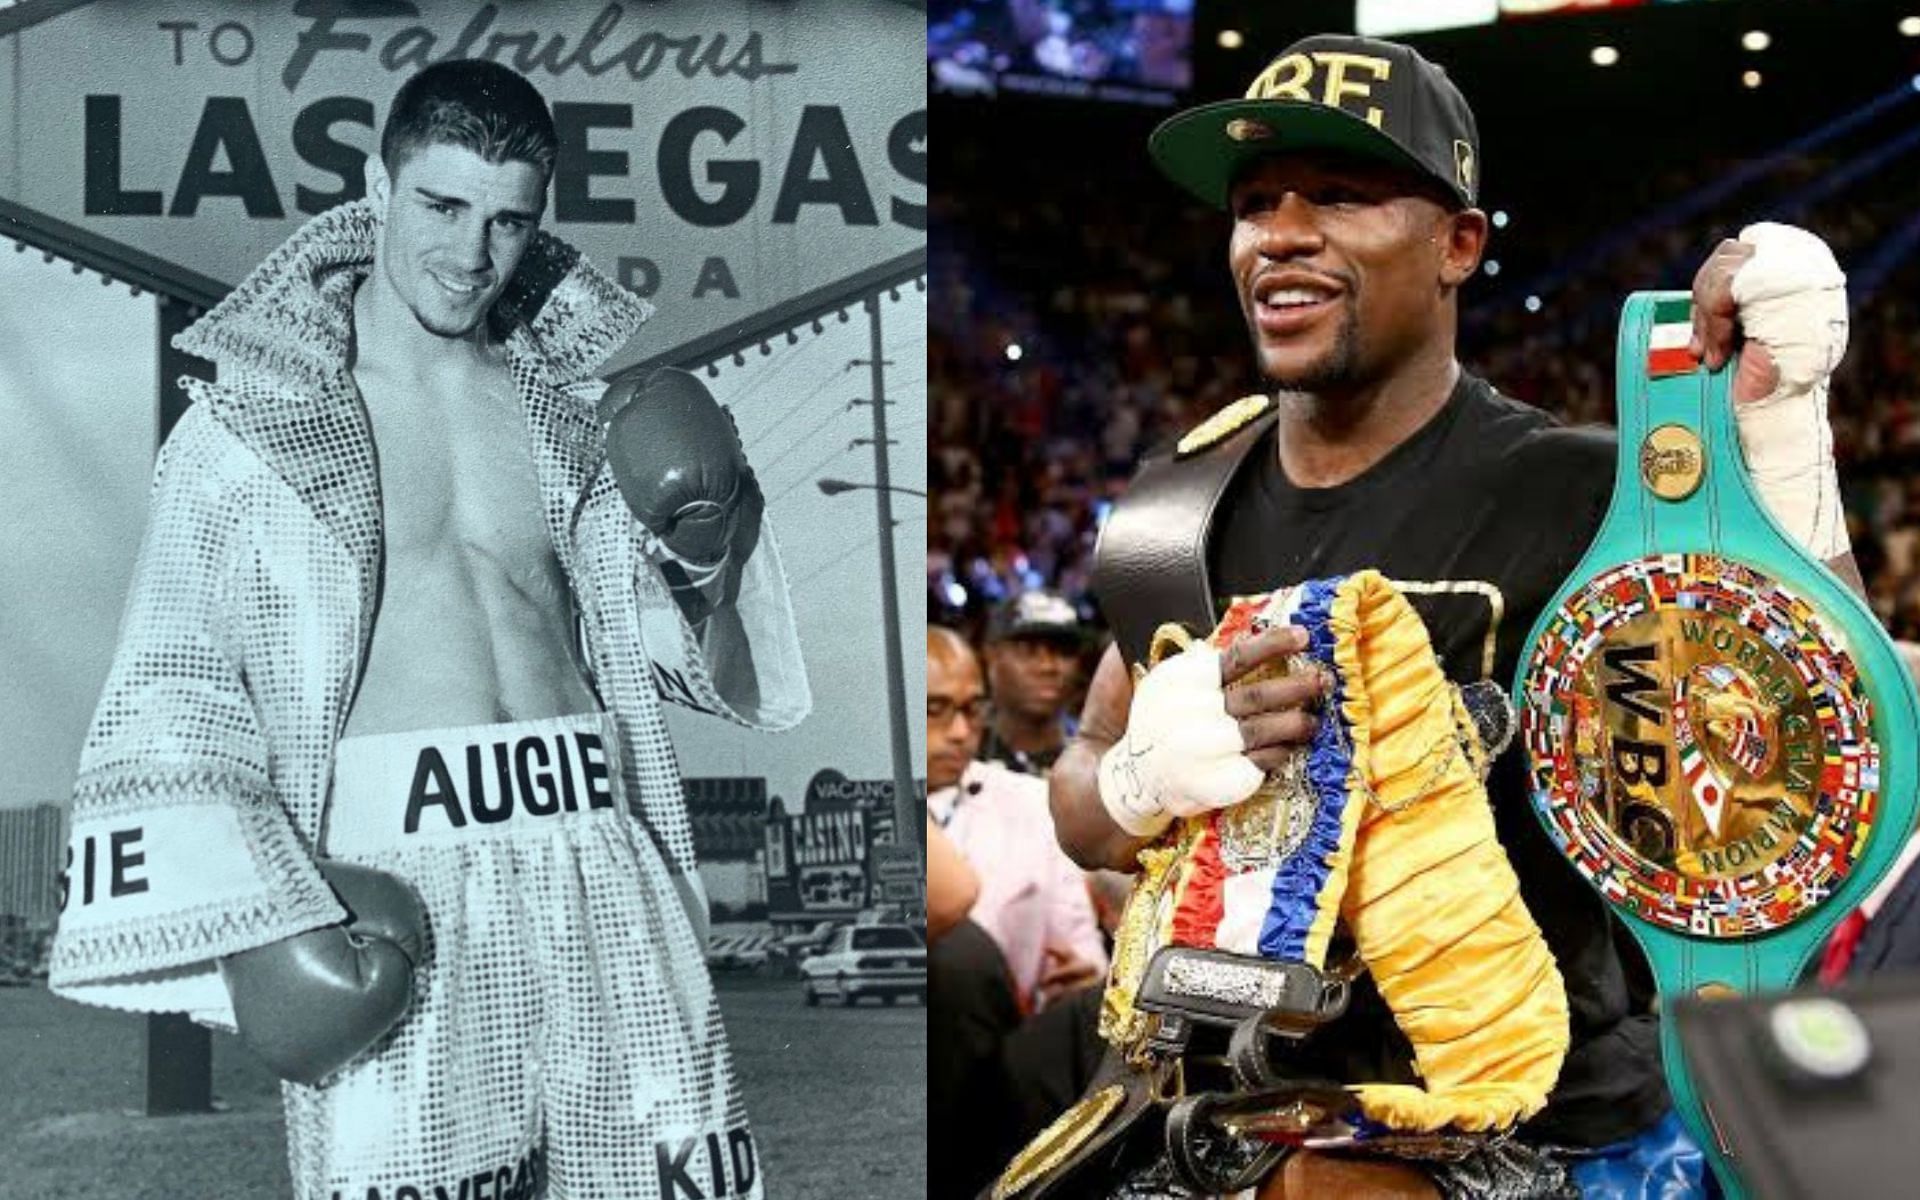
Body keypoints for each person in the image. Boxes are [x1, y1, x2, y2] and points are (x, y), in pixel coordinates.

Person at [1045, 33, 1861, 1200]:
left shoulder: (1587, 489)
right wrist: (1137, 784)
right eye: (1256, 203)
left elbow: (1825, 747)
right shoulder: (1174, 513)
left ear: (1458, 244)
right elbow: (1079, 791)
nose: (1280, 232)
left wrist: (1786, 445)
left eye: (1340, 195)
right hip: (1238, 1129)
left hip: (1538, 1136)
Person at [47, 60, 808, 1200]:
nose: (472, 253)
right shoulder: (250, 425)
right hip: (397, 881)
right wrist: (267, 909)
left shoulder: (569, 413)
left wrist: (702, 556)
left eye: (509, 222)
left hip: (595, 847)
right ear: (377, 185)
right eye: (442, 207)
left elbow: (652, 657)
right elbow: (177, 684)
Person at [981, 590, 1087, 776]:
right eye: (1028, 650)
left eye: (1063, 652)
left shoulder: (1100, 759)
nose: (1047, 666)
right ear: (991, 657)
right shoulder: (959, 749)